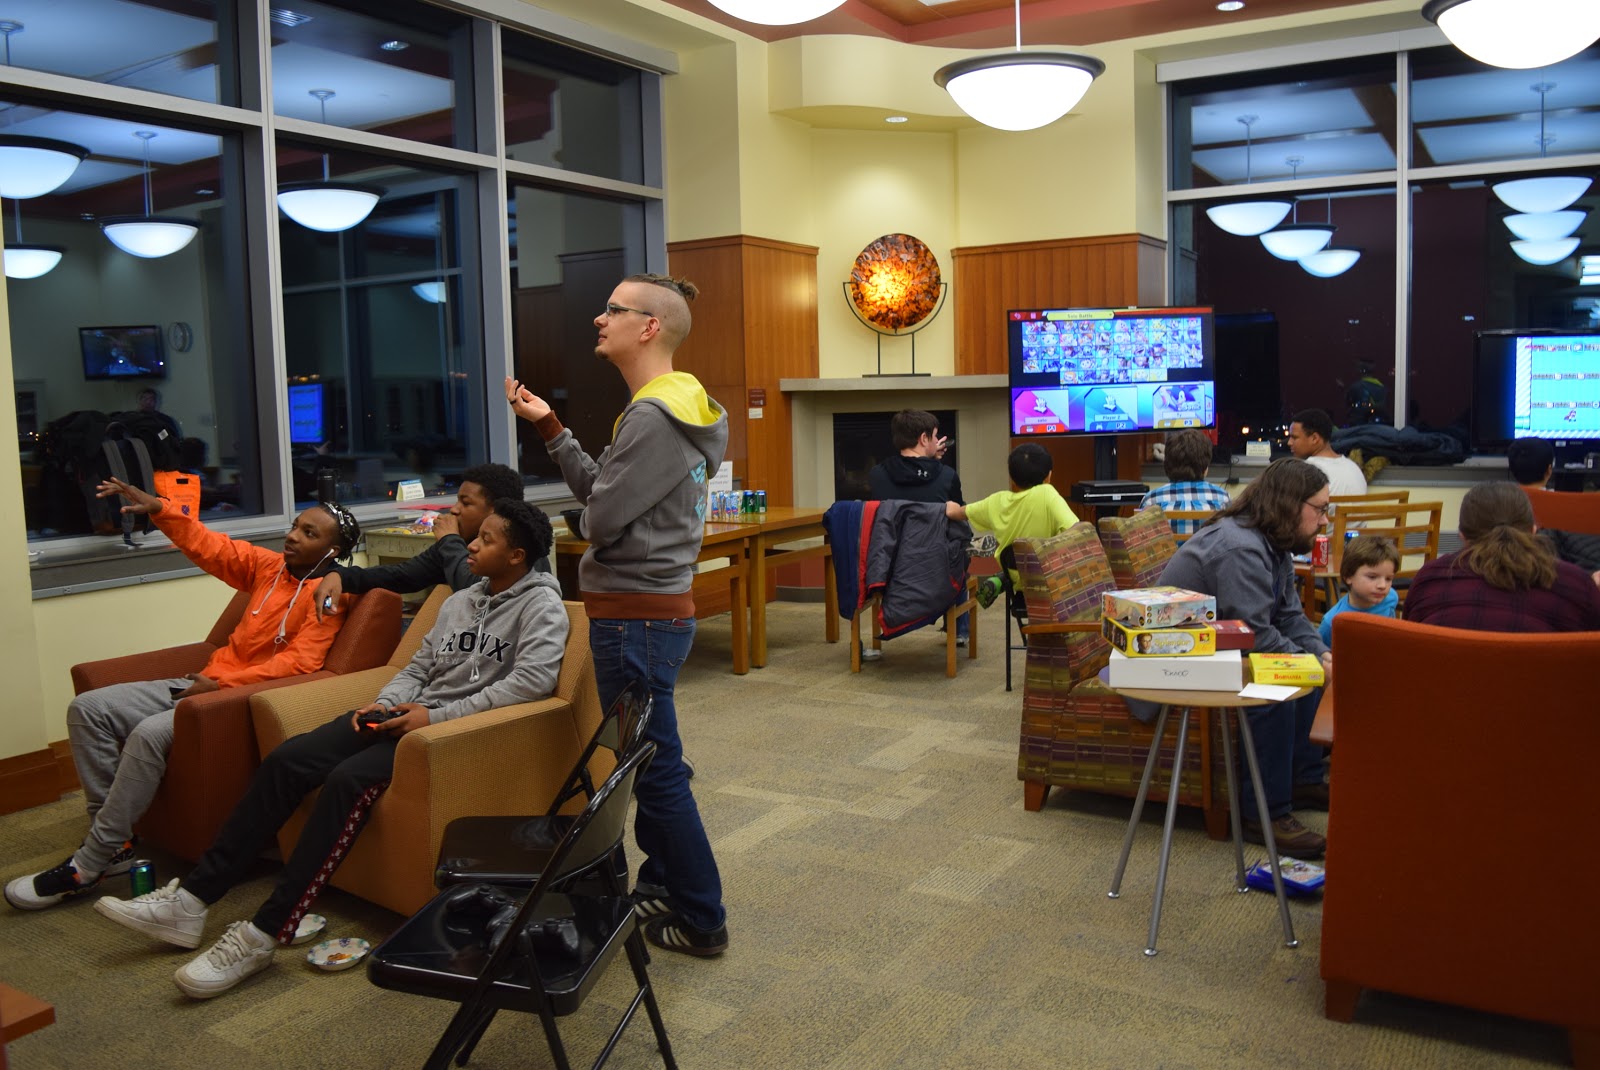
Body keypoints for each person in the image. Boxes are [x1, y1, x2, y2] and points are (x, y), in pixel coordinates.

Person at [95, 499, 566, 999]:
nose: (470, 543)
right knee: (286, 760)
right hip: (402, 713)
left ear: (517, 556)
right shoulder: (458, 601)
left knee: (346, 781)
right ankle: (190, 902)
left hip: (444, 734)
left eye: (486, 540)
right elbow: (418, 666)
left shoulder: (542, 607)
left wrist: (433, 717)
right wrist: (386, 703)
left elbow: (532, 684)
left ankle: (262, 935)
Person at [505, 272, 730, 958]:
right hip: (646, 610)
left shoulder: (655, 416)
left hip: (636, 616)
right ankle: (667, 881)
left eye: (614, 309)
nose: (599, 318)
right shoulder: (673, 405)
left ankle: (701, 917)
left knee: (653, 769)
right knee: (658, 757)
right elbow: (609, 492)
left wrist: (584, 512)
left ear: (649, 327)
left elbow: (600, 518)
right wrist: (550, 426)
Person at [6, 480, 360, 911]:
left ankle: (89, 862)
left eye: (310, 533)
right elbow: (211, 546)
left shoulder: (330, 596)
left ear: (334, 552)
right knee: (89, 709)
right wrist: (161, 508)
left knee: (149, 733)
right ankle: (114, 844)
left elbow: (301, 665)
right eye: (295, 526)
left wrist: (223, 686)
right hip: (203, 682)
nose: (292, 536)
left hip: (236, 700)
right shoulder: (267, 569)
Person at [1159, 458, 1332, 857]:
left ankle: (1302, 778)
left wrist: (1323, 655)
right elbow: (1256, 635)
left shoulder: (1273, 539)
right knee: (1277, 681)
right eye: (1320, 509)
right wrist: (1313, 665)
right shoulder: (1240, 547)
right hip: (1176, 658)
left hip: (1222, 644)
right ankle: (1263, 814)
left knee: (1305, 664)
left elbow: (1288, 616)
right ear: (1290, 505)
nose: (1325, 520)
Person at [312, 462, 539, 618]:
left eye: (466, 503)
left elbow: (474, 589)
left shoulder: (522, 546)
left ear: (495, 510)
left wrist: (450, 540)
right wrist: (340, 574)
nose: (455, 510)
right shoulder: (459, 544)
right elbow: (401, 576)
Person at [1404, 482, 1600, 632]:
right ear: (1533, 531)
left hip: (1448, 684)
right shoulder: (1577, 586)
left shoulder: (1429, 580)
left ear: (1462, 535)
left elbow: (1411, 651)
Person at [869, 409, 969, 644]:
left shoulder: (876, 475)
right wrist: (934, 466)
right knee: (960, 545)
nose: (937, 441)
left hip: (888, 567)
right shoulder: (946, 475)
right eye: (934, 437)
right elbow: (958, 515)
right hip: (936, 569)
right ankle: (960, 631)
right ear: (924, 439)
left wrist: (928, 461)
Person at [945, 442, 1073, 609]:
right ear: (1049, 476)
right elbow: (1075, 531)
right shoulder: (1047, 493)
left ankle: (1003, 578)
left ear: (1012, 478)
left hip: (1019, 590)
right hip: (1051, 586)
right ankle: (1001, 579)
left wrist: (949, 507)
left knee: (1016, 563)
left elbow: (959, 513)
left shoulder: (996, 501)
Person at [1139, 428, 1232, 537]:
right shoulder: (1223, 499)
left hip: (1170, 555)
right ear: (1206, 468)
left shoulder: (1151, 500)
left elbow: (1143, 547)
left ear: (1167, 466)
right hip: (1209, 555)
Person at [1318, 534, 1400, 647]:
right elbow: (1319, 655)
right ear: (1348, 576)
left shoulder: (1391, 597)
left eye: (1388, 579)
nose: (1382, 585)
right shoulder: (1332, 622)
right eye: (1372, 577)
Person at [1288, 408, 1366, 498]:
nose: (1289, 442)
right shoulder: (1353, 467)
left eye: (1294, 437)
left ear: (1314, 438)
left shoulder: (1307, 471)